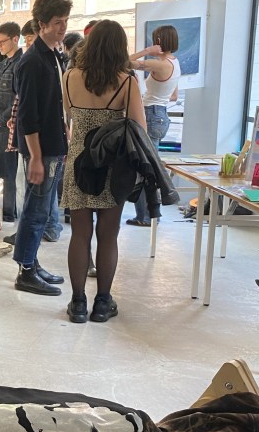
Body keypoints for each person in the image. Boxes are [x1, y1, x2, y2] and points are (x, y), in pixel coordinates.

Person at [61, 20, 146, 322]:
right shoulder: (127, 82)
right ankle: (102, 303)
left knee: (79, 234)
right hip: (112, 164)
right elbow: (139, 127)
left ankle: (78, 303)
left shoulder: (69, 76)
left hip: (79, 163)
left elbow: (69, 115)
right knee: (108, 235)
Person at [11, 0, 73, 295]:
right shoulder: (32, 61)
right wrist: (35, 157)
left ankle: (31, 263)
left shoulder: (52, 55)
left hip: (53, 144)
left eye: (65, 21)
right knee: (35, 210)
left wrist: (64, 131)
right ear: (42, 24)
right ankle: (25, 271)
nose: (63, 27)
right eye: (57, 22)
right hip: (41, 149)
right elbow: (27, 115)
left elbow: (54, 104)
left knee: (42, 209)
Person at [127, 24, 180, 226]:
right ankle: (150, 214)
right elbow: (174, 95)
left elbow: (124, 62)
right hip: (162, 114)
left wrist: (147, 51)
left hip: (151, 114)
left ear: (159, 41)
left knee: (145, 169)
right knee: (150, 166)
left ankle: (146, 216)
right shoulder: (175, 63)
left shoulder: (161, 64)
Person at [0, 21, 21, 222]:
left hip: (6, 124)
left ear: (15, 39)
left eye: (2, 41)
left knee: (5, 171)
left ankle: (7, 212)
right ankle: (1, 210)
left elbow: (19, 97)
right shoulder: (4, 62)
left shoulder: (19, 64)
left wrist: (1, 119)